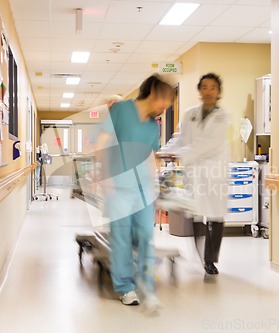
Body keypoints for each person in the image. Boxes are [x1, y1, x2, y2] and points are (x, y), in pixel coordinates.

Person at [94, 75, 174, 308]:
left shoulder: (152, 125)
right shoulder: (121, 110)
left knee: (146, 237)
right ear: (154, 93)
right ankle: (125, 288)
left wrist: (156, 184)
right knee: (121, 238)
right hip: (118, 186)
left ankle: (147, 284)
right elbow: (102, 142)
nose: (166, 106)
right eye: (166, 100)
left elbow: (150, 155)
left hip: (143, 189)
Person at [174, 73, 229, 275]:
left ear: (218, 92)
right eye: (204, 87)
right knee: (196, 215)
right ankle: (203, 256)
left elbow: (208, 144)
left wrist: (182, 154)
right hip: (195, 173)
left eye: (212, 87)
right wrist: (166, 151)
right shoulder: (189, 114)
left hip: (214, 172)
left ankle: (210, 260)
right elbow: (180, 137)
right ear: (199, 90)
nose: (208, 91)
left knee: (215, 216)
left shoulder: (223, 117)